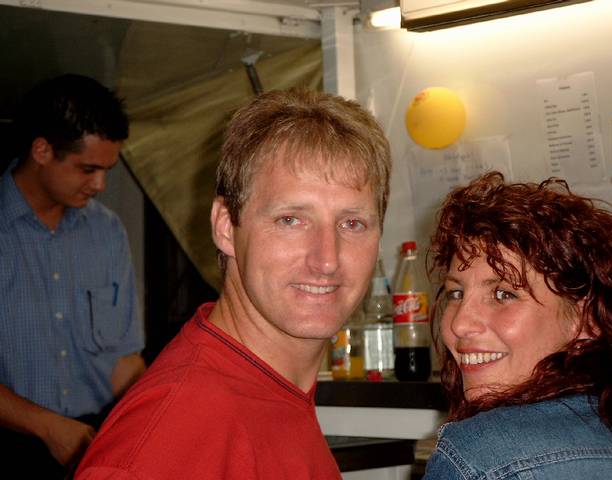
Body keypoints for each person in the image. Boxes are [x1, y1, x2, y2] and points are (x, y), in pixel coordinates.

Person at [75, 88, 392, 479]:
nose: (327, 260)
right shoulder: (172, 435)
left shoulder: (273, 391)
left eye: (352, 223)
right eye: (291, 220)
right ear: (226, 227)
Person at [423, 171, 612, 479]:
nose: (459, 323)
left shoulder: (475, 457)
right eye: (456, 293)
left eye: (503, 294)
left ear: (588, 319)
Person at [0, 74, 146, 477]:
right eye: (88, 169)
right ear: (42, 150)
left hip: (97, 440)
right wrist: (49, 428)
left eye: (107, 170)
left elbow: (124, 361)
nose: (100, 184)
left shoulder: (107, 230)